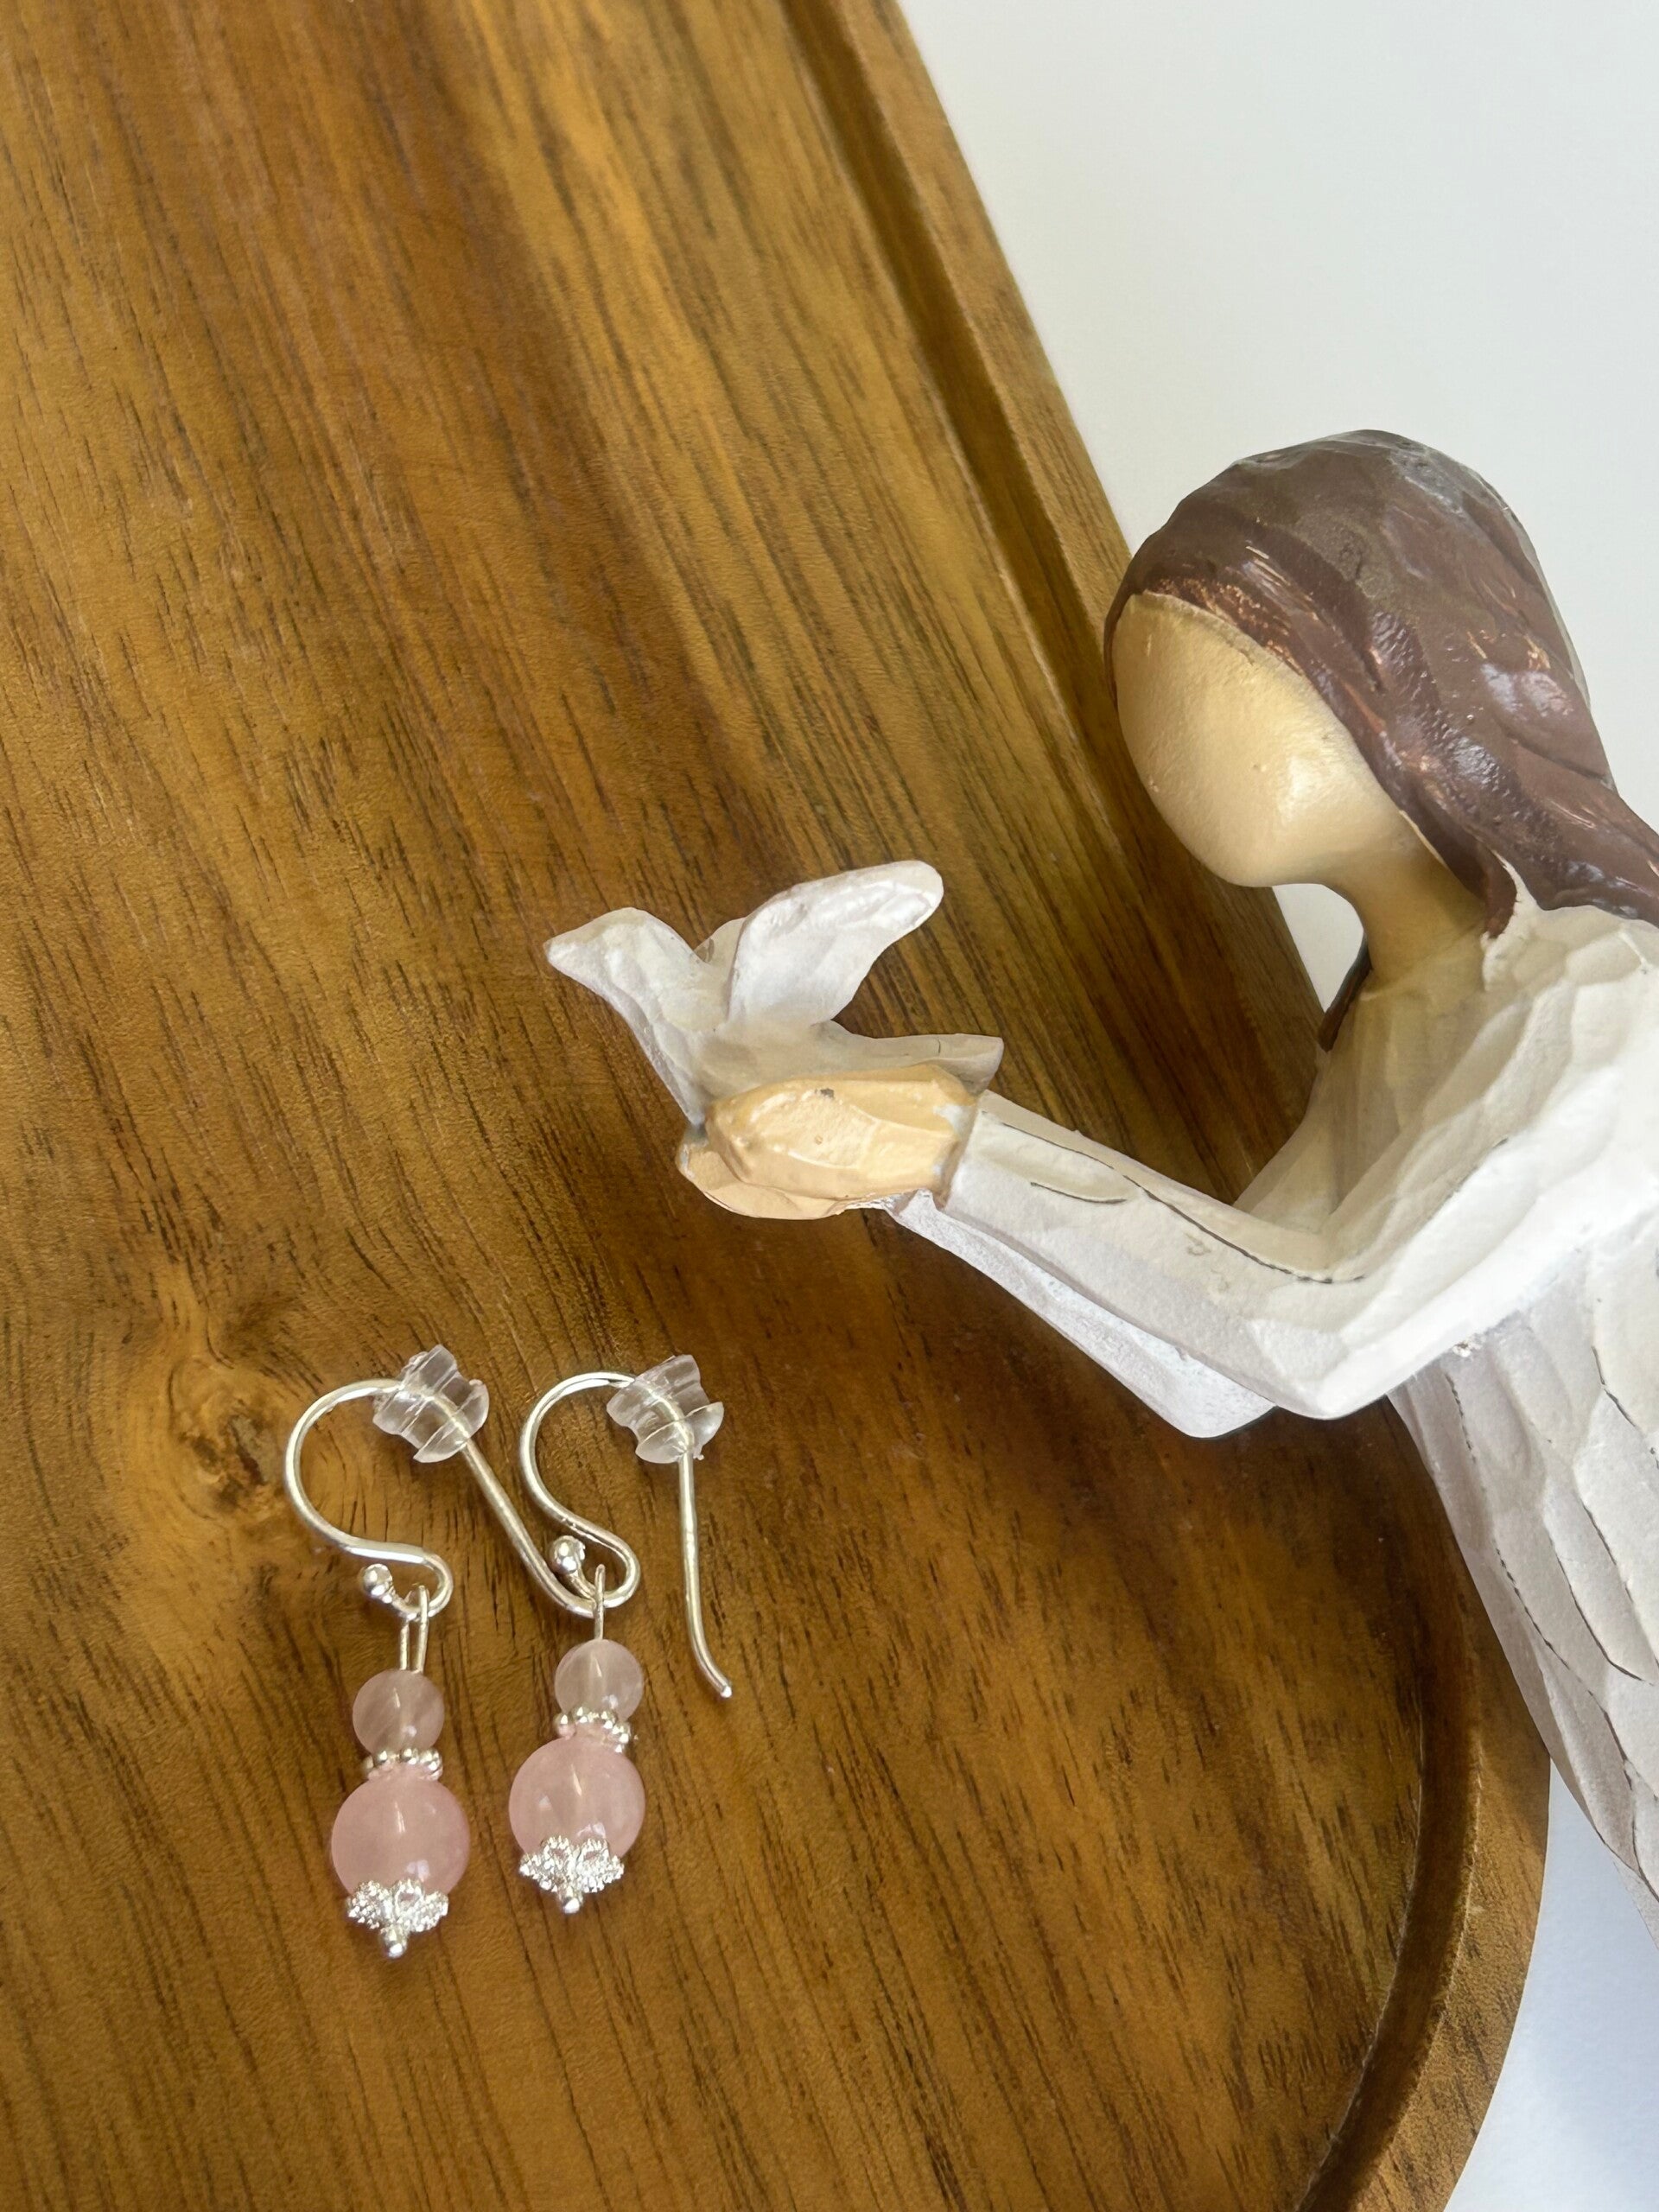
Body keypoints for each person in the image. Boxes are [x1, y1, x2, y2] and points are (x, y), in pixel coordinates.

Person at [553, 433, 1659, 1931]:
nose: (1166, 741)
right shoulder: (1384, 1056)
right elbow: (1212, 1366)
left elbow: (1322, 1333)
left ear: (1403, 672)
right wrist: (893, 1160)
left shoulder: (1604, 999)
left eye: (1226, 661)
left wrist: (943, 1142)